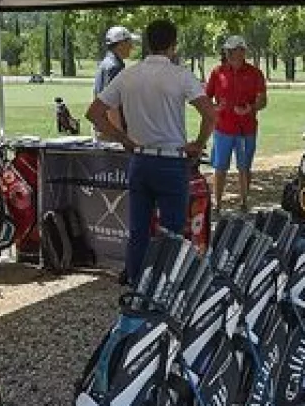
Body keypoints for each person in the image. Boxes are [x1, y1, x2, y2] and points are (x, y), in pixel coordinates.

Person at [86, 18, 216, 285]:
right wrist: (199, 144)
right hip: (171, 161)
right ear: (173, 45)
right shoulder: (180, 74)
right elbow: (210, 114)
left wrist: (122, 137)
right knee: (173, 232)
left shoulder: (129, 74)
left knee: (138, 231)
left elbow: (94, 113)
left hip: (140, 159)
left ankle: (136, 283)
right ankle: (167, 285)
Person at [205, 34, 268, 212]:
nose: (231, 54)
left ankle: (244, 202)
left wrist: (250, 108)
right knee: (220, 167)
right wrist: (217, 108)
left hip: (246, 129)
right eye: (228, 51)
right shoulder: (218, 72)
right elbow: (206, 99)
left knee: (244, 167)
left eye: (234, 50)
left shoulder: (255, 73)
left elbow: (263, 100)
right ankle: (217, 203)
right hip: (223, 129)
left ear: (243, 51)